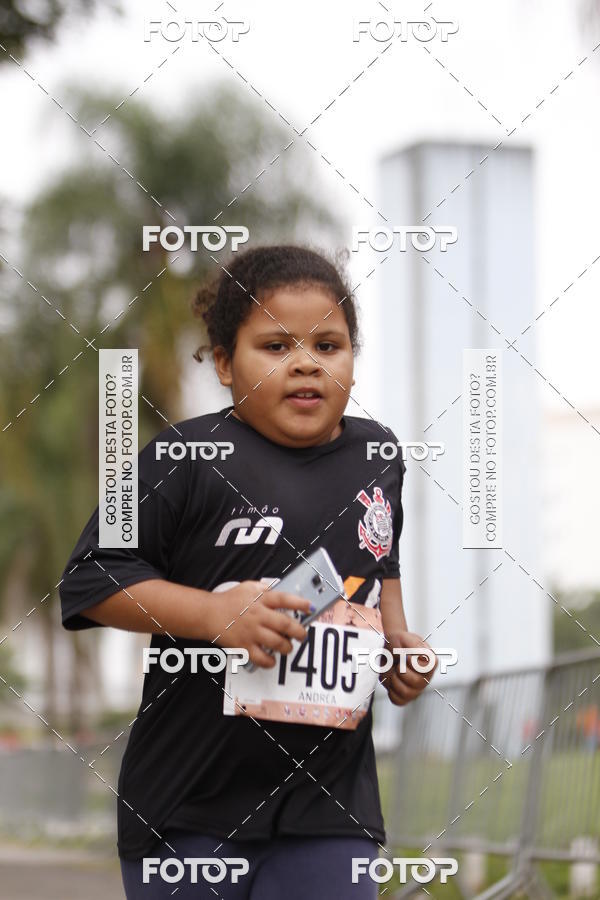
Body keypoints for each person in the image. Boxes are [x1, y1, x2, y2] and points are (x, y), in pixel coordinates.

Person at [59, 243, 435, 898]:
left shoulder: (380, 453)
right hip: (189, 808)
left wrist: (399, 643)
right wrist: (214, 615)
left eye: (328, 345)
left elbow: (382, 558)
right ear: (226, 365)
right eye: (276, 346)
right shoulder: (183, 455)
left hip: (330, 811)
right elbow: (91, 578)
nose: (305, 365)